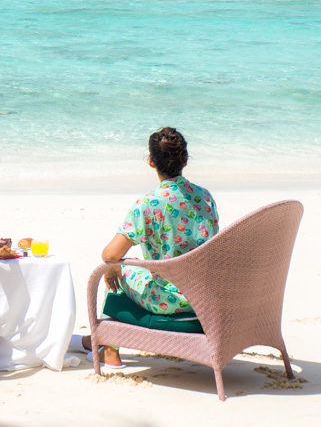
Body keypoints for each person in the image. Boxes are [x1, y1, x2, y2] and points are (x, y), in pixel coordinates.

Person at [75, 127, 219, 367]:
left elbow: (110, 254)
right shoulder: (205, 197)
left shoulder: (149, 203)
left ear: (151, 161)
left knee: (117, 266)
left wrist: (113, 268)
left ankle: (110, 351)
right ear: (185, 159)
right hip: (202, 296)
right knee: (121, 266)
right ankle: (104, 340)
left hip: (167, 300)